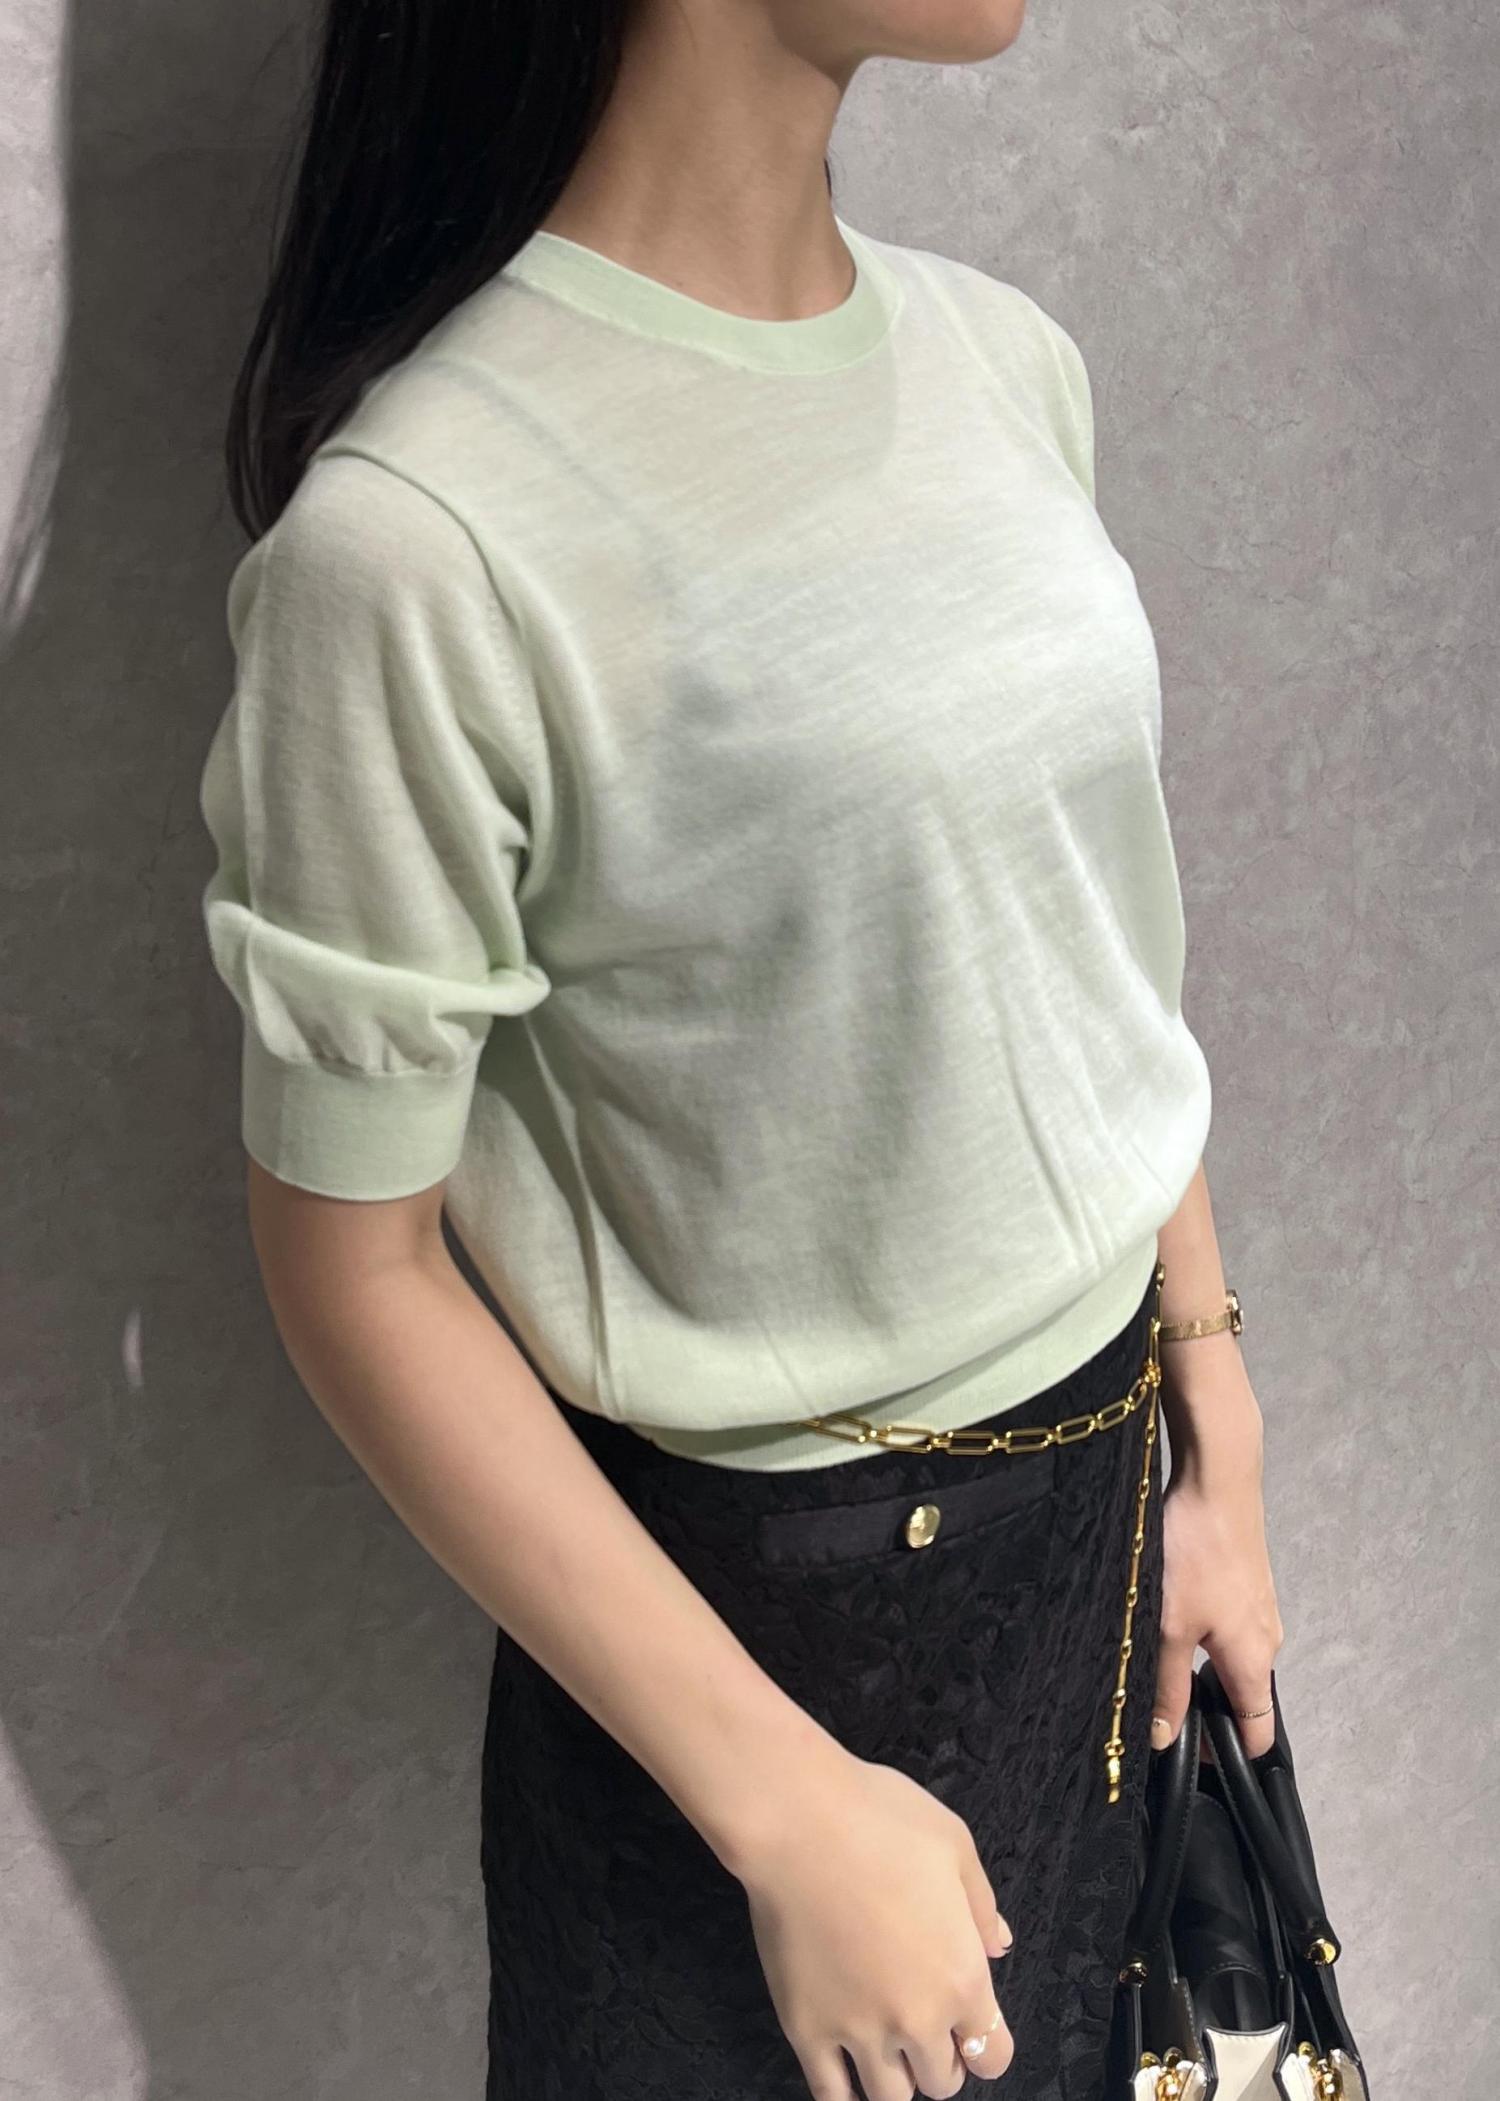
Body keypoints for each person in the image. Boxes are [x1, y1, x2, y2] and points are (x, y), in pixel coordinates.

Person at [195, 2, 1284, 2097]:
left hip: (1108, 1519)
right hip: (765, 1641)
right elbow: (356, 1265)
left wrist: (1214, 1415)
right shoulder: (420, 538)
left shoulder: (1004, 361)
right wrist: (778, 1801)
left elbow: (1085, 963)